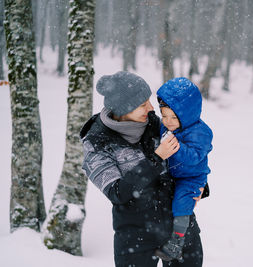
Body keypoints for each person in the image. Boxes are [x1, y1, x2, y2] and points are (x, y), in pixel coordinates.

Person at [80, 71, 207, 267]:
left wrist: (200, 187)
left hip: (180, 230)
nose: (150, 108)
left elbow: (191, 155)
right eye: (142, 104)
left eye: (148, 100)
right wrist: (156, 158)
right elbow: (117, 192)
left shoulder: (154, 123)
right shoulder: (97, 143)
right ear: (123, 110)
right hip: (136, 238)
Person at [154, 77, 213, 261]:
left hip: (191, 177)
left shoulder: (201, 132)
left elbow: (195, 157)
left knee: (181, 204)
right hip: (174, 175)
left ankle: (177, 241)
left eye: (173, 117)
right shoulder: (167, 126)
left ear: (186, 114)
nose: (167, 122)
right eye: (164, 116)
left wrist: (176, 146)